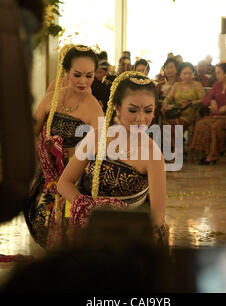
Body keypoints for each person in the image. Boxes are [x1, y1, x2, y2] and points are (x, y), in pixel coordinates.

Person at [57, 71, 168, 241]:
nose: (141, 118)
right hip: (89, 226)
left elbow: (158, 216)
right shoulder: (96, 137)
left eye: (148, 111)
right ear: (116, 106)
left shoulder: (153, 154)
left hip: (130, 235)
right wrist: (85, 206)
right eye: (132, 110)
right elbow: (64, 183)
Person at [25, 44, 104, 248]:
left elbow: (99, 148)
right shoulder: (51, 99)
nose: (83, 81)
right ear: (66, 71)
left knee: (69, 227)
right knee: (40, 218)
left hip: (76, 174)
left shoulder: (95, 109)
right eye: (77, 75)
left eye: (89, 75)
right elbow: (31, 131)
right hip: (48, 172)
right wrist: (43, 152)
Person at [191, 63, 226, 165]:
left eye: (218, 72)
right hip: (215, 115)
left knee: (215, 127)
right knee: (201, 124)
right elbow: (205, 101)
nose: (216, 75)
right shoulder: (216, 85)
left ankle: (213, 155)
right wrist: (212, 101)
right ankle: (207, 152)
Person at [162, 62, 205, 157]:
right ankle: (176, 149)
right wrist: (165, 103)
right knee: (166, 123)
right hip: (177, 112)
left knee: (173, 124)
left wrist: (191, 102)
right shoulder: (177, 85)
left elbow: (202, 99)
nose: (187, 76)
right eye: (185, 73)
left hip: (190, 113)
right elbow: (168, 98)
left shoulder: (197, 85)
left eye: (190, 73)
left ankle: (176, 151)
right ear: (180, 74)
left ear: (193, 74)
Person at [155, 58, 180, 125]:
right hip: (160, 106)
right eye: (167, 68)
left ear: (176, 69)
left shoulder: (180, 81)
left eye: (171, 67)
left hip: (176, 106)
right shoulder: (160, 81)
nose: (169, 70)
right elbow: (156, 95)